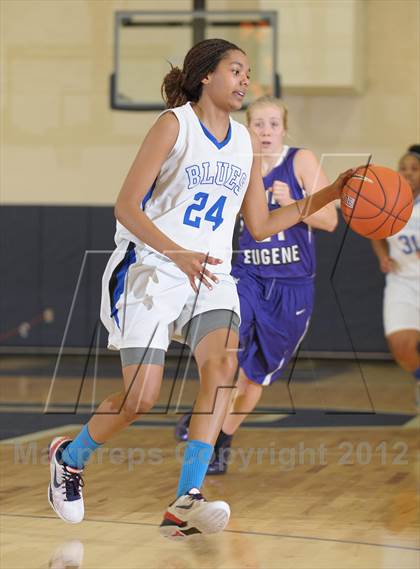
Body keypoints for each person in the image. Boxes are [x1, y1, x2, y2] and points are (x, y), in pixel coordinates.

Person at [47, 38, 353, 539]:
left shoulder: (242, 143)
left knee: (223, 368)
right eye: (236, 70)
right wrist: (175, 253)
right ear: (206, 75)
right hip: (151, 267)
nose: (245, 81)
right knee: (140, 398)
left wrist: (331, 192)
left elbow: (258, 223)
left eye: (248, 73)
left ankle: (186, 499)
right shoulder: (173, 124)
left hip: (210, 275)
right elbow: (126, 206)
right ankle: (70, 458)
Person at [175, 96, 338, 474]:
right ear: (248, 128)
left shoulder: (300, 160)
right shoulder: (237, 161)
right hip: (246, 275)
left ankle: (223, 436)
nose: (265, 132)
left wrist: (295, 201)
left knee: (254, 379)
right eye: (258, 124)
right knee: (224, 355)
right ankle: (206, 419)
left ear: (285, 129)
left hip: (291, 284)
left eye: (273, 124)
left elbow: (330, 221)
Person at [371, 145, 420, 409]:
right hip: (402, 281)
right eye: (403, 168)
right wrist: (382, 256)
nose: (408, 173)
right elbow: (374, 231)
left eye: (414, 169)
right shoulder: (389, 202)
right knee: (400, 344)